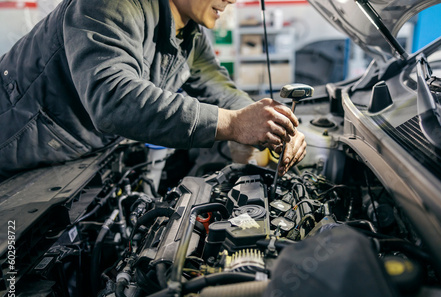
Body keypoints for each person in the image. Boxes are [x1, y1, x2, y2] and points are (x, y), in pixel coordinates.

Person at [0, 0, 306, 181]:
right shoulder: (110, 4)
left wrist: (268, 122)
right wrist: (233, 124)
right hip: (13, 146)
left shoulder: (186, 32)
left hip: (69, 156)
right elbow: (113, 98)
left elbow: (217, 84)